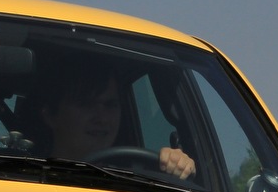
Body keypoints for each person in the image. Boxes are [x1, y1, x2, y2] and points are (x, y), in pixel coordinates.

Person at [36, 58, 196, 180]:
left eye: (110, 104)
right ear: (50, 115)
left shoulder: (142, 185)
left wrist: (179, 167)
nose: (102, 118)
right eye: (85, 104)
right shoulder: (22, 180)